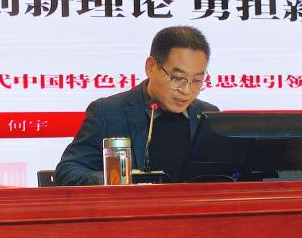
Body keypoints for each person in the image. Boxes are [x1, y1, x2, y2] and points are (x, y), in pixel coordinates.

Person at [55, 26, 219, 186]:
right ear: (151, 67)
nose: (186, 90)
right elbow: (68, 171)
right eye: (177, 78)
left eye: (197, 80)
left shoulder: (208, 115)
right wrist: (116, 180)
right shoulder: (108, 112)